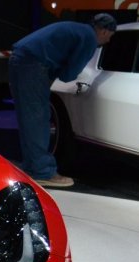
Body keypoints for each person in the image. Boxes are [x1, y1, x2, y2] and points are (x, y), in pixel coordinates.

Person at [9, 13, 117, 187]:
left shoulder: (78, 29)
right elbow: (69, 75)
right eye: (110, 36)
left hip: (20, 59)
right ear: (104, 31)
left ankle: (31, 167)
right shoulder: (89, 38)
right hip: (33, 65)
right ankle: (42, 172)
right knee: (38, 120)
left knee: (29, 118)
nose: (108, 41)